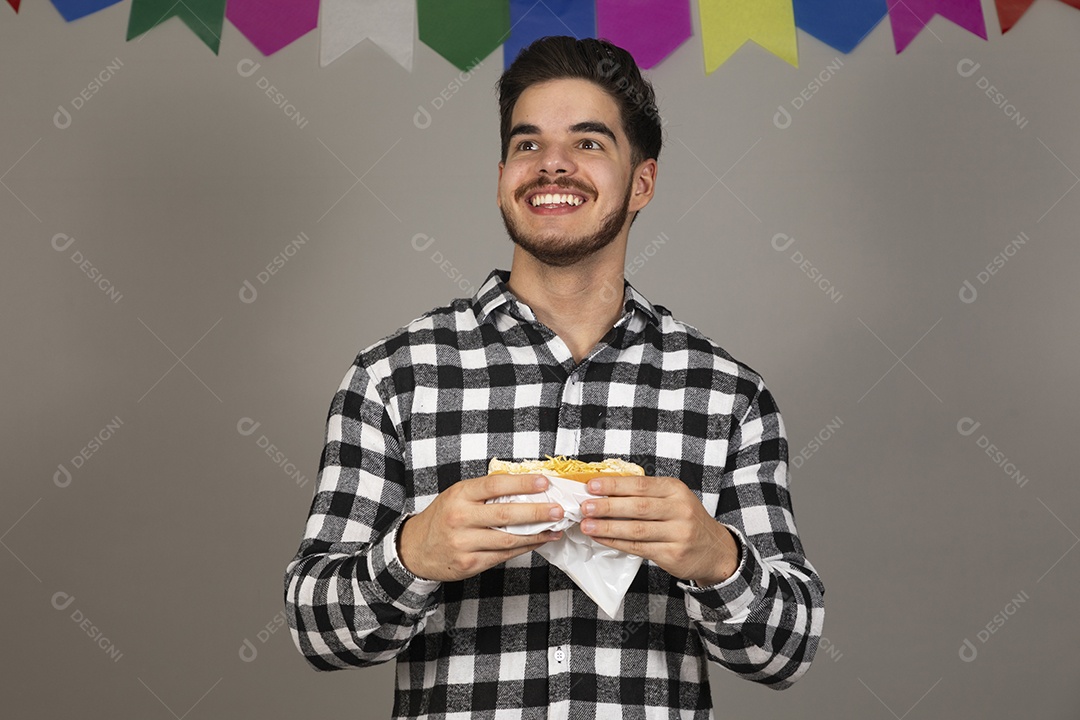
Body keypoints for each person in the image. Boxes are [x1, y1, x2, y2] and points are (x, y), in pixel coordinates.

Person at [284, 35, 825, 719]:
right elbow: (315, 631)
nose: (554, 166)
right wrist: (412, 553)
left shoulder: (726, 395)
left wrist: (717, 558)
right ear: (503, 171)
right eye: (528, 144)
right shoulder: (394, 378)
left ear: (643, 183)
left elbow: (789, 652)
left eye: (590, 143)